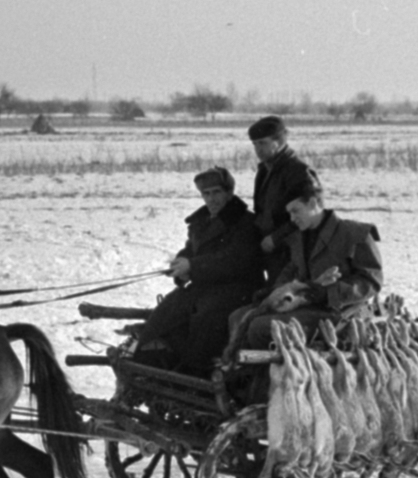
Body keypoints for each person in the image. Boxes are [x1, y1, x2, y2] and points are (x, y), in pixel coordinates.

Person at [228, 171, 383, 352]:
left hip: (338, 313)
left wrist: (327, 293)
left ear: (313, 203)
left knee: (259, 328)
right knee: (237, 317)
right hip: (304, 306)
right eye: (289, 213)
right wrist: (273, 293)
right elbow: (291, 269)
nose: (292, 219)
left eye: (295, 211)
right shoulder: (299, 237)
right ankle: (242, 372)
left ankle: (269, 376)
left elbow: (371, 282)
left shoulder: (354, 234)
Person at [131, 167, 264, 375]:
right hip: (204, 285)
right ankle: (154, 364)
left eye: (217, 192)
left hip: (239, 289)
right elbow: (191, 249)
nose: (211, 199)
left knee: (206, 317)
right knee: (167, 311)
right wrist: (181, 263)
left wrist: (193, 267)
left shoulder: (245, 222)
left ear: (229, 193)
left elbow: (234, 261)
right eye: (206, 194)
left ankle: (198, 373)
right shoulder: (200, 222)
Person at [246, 115, 316, 282]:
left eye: (262, 143)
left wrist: (276, 238)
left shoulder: (297, 171)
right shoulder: (265, 169)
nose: (257, 149)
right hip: (270, 248)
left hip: (291, 250)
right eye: (254, 144)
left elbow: (309, 214)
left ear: (278, 142)